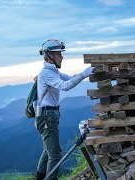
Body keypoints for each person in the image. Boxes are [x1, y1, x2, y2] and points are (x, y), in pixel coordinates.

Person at [34, 39, 94, 180]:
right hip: (47, 115)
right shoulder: (47, 73)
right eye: (59, 54)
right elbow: (65, 86)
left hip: (47, 114)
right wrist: (84, 73)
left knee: (48, 152)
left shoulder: (52, 72)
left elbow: (70, 78)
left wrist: (86, 73)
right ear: (50, 56)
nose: (62, 57)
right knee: (55, 155)